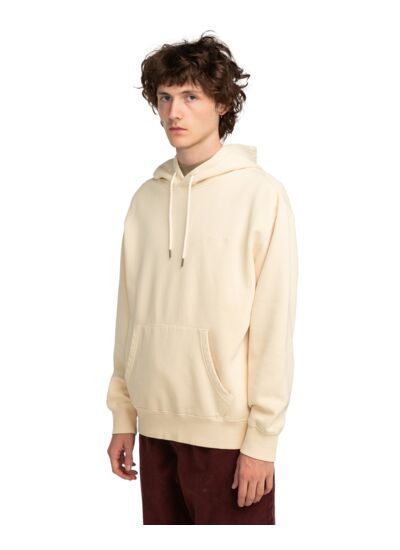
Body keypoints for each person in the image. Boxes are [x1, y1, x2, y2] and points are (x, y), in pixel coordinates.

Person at [106, 31, 298, 525]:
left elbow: (273, 325)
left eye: (191, 96)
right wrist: (124, 415)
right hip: (154, 429)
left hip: (227, 437)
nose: (175, 112)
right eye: (165, 97)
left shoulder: (261, 196)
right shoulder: (146, 199)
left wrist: (262, 441)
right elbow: (129, 312)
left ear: (222, 104)